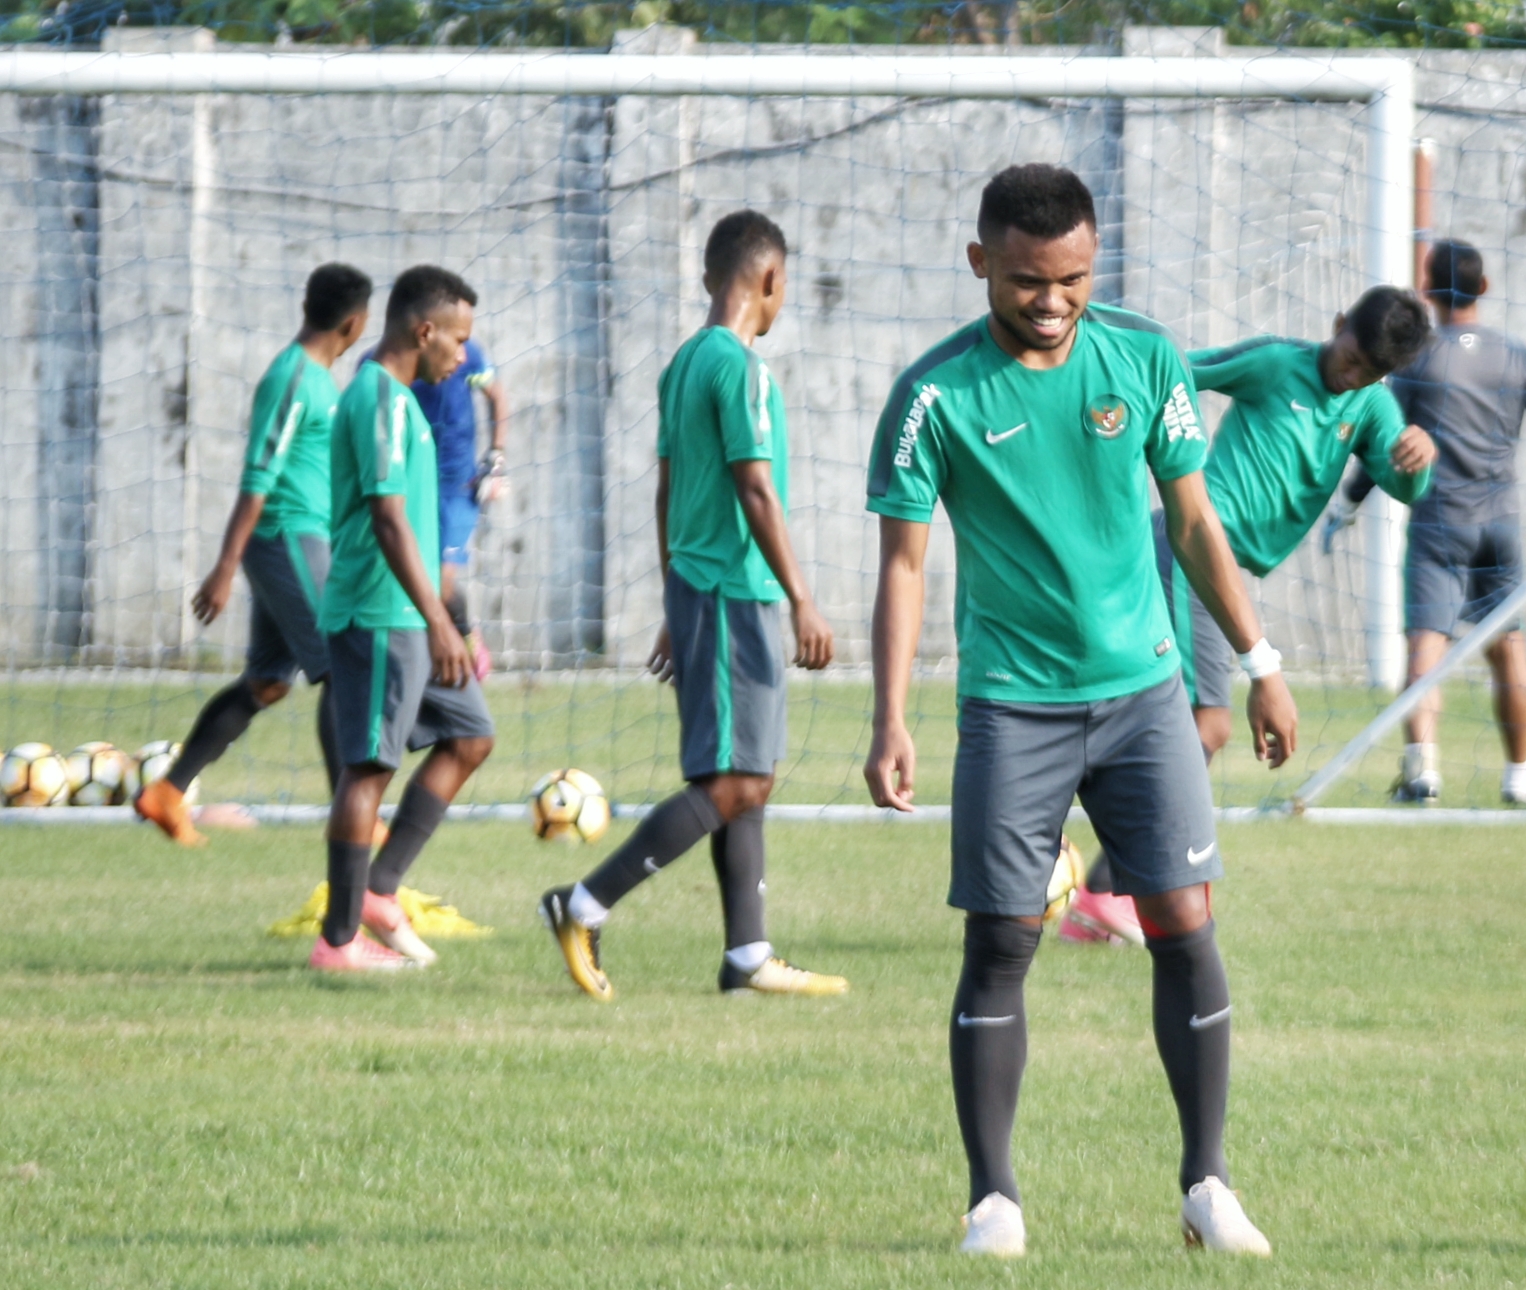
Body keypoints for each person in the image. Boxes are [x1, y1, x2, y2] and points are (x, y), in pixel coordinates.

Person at [864, 163, 1298, 1258]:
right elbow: (904, 568)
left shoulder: (1142, 357)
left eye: (1070, 278)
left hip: (1146, 695)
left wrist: (1258, 660)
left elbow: (1196, 525)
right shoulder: (933, 396)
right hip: (1013, 707)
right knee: (1003, 942)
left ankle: (1207, 1187)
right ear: (980, 265)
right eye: (1024, 281)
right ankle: (992, 1203)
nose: (1050, 301)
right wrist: (889, 717)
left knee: (1185, 926)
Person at [1062, 287, 1438, 945]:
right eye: (1350, 358)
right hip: (1194, 550)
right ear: (1338, 322)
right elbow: (1176, 372)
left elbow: (1401, 484)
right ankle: (1103, 887)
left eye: (1369, 373)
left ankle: (1103, 871)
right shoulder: (1274, 363)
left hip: (1222, 573)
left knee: (1168, 721)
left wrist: (1415, 464)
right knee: (1205, 728)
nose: (1350, 376)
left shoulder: (1373, 406)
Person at [538, 210, 846, 1002]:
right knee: (735, 784)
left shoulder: (682, 365)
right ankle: (584, 903)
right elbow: (753, 487)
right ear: (769, 281)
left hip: (703, 592)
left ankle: (748, 956)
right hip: (735, 593)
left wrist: (676, 602)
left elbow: (669, 493)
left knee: (744, 776)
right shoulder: (738, 369)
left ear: (713, 279)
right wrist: (803, 599)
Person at [1341, 238, 1526, 808]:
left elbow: (1387, 443)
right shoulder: (1514, 354)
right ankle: (1519, 776)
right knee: (1509, 648)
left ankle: (1422, 773)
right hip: (1500, 524)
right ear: (1484, 287)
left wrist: (1351, 500)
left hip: (1438, 525)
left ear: (1428, 289)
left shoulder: (1419, 358)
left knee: (1427, 644)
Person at [135, 264, 374, 847]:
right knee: (344, 667)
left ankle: (167, 793)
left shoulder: (318, 379)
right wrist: (224, 565)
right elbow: (258, 476)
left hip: (299, 540)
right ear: (355, 322)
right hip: (289, 538)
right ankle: (354, 820)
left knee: (268, 683)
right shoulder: (294, 379)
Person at [311, 265, 496, 973]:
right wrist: (439, 622)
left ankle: (380, 892)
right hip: (378, 614)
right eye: (458, 338)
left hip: (411, 619)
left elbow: (414, 523)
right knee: (368, 769)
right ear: (425, 331)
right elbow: (389, 523)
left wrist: (447, 620)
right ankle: (336, 942)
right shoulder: (380, 400)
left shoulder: (404, 401)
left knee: (472, 735)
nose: (464, 353)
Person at [365, 319, 508, 676]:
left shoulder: (466, 358)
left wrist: (496, 457)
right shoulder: (379, 372)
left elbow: (497, 395)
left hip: (458, 487)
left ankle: (464, 637)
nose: (459, 351)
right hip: (413, 486)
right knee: (420, 579)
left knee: (441, 582)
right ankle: (440, 653)